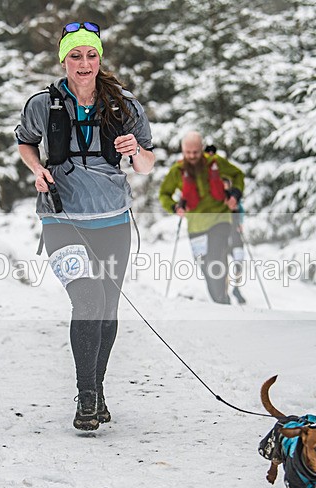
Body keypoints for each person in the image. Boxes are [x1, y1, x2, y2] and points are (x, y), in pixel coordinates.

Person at [15, 21, 155, 431]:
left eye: (91, 54)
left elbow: (147, 165)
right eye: (75, 55)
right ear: (64, 60)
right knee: (89, 300)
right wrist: (37, 168)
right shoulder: (43, 104)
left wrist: (135, 150)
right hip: (60, 220)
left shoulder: (124, 106)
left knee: (107, 309)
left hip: (112, 222)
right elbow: (25, 142)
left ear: (99, 59)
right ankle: (87, 395)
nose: (84, 62)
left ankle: (98, 388)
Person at [159, 132, 245, 304]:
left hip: (220, 218)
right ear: (183, 151)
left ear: (201, 149)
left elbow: (238, 175)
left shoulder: (215, 162)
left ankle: (222, 302)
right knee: (205, 266)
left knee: (215, 258)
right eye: (188, 153)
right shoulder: (177, 171)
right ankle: (221, 299)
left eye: (196, 152)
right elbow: (164, 194)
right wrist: (175, 207)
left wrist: (235, 195)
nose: (192, 156)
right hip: (196, 226)